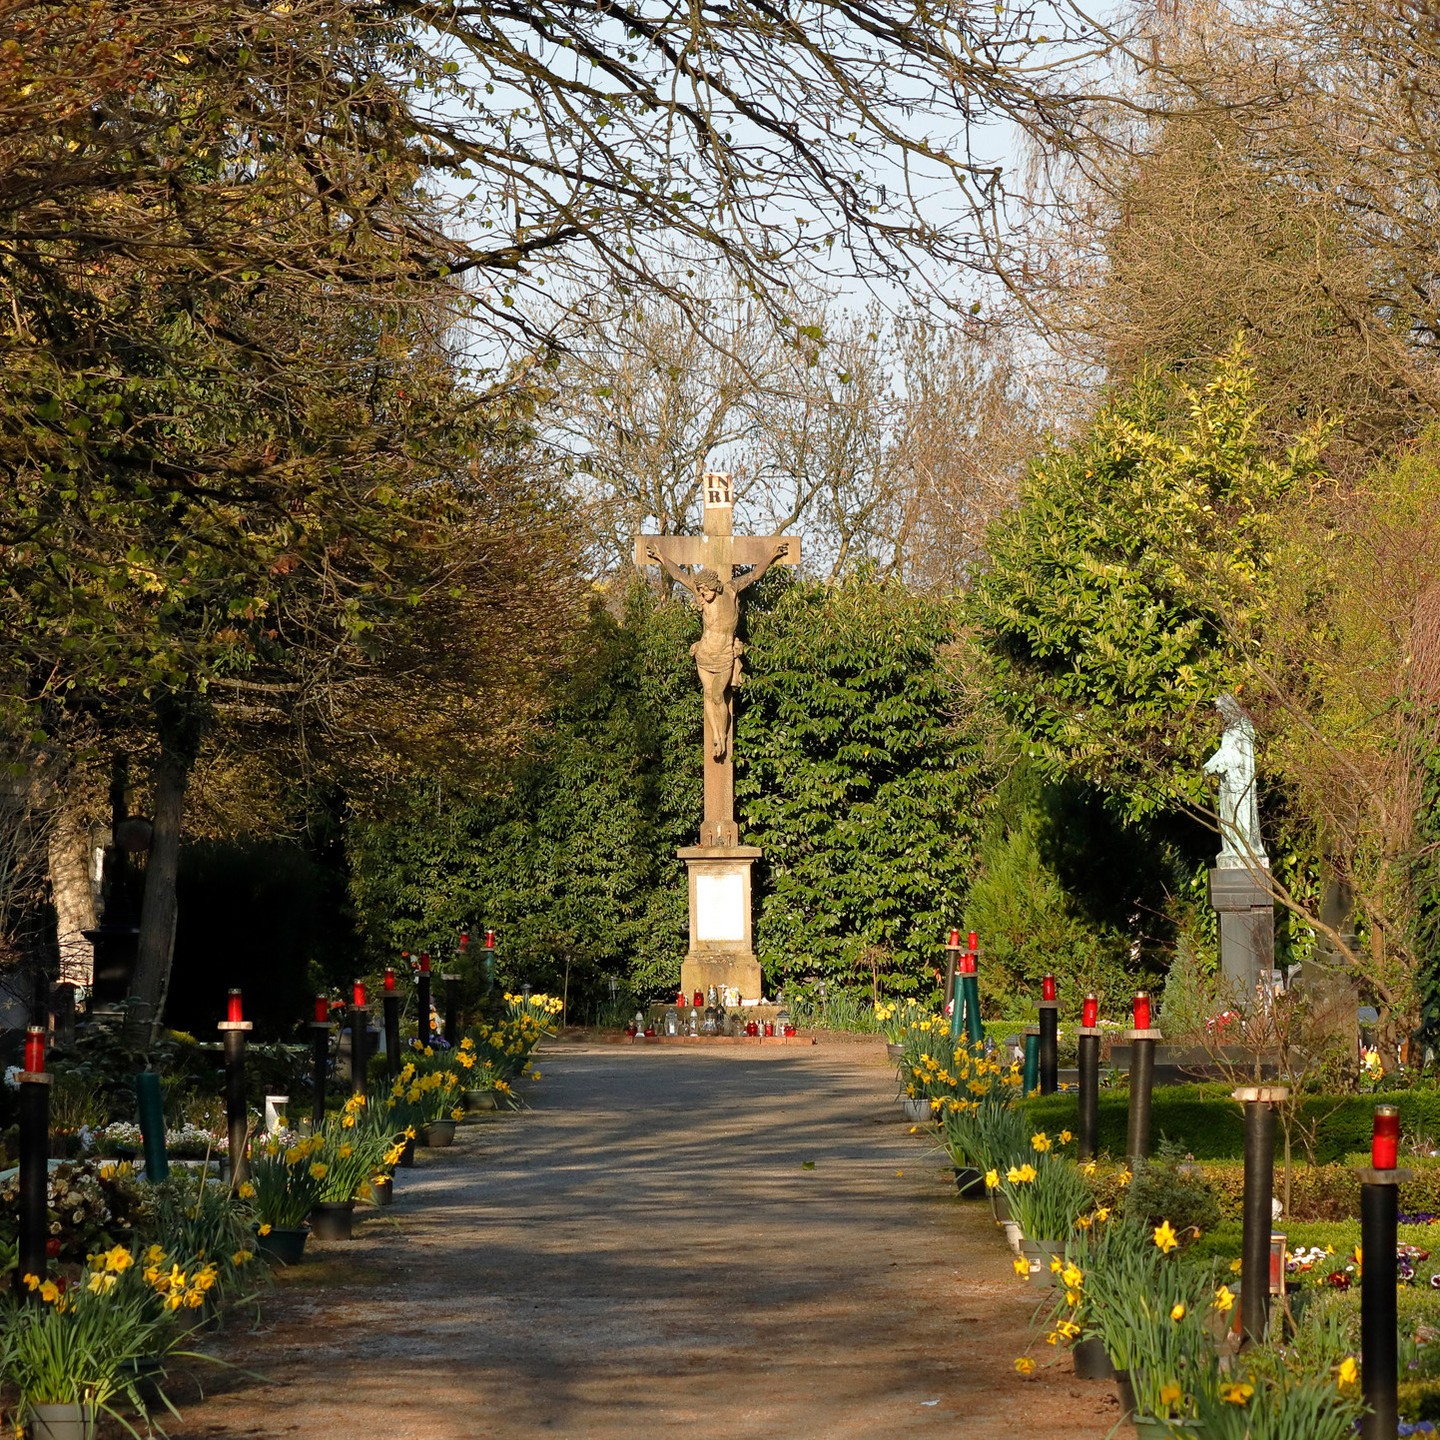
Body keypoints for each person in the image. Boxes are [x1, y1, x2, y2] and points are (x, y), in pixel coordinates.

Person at [646, 540, 789, 760]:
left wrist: (771, 555)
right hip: (704, 654)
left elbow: (754, 575)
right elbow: (679, 575)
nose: (701, 594)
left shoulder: (731, 590)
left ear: (714, 585)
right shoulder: (702, 596)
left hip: (723, 656)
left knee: (717, 696)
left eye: (704, 590)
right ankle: (716, 736)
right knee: (708, 694)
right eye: (700, 590)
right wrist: (661, 557)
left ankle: (721, 734)